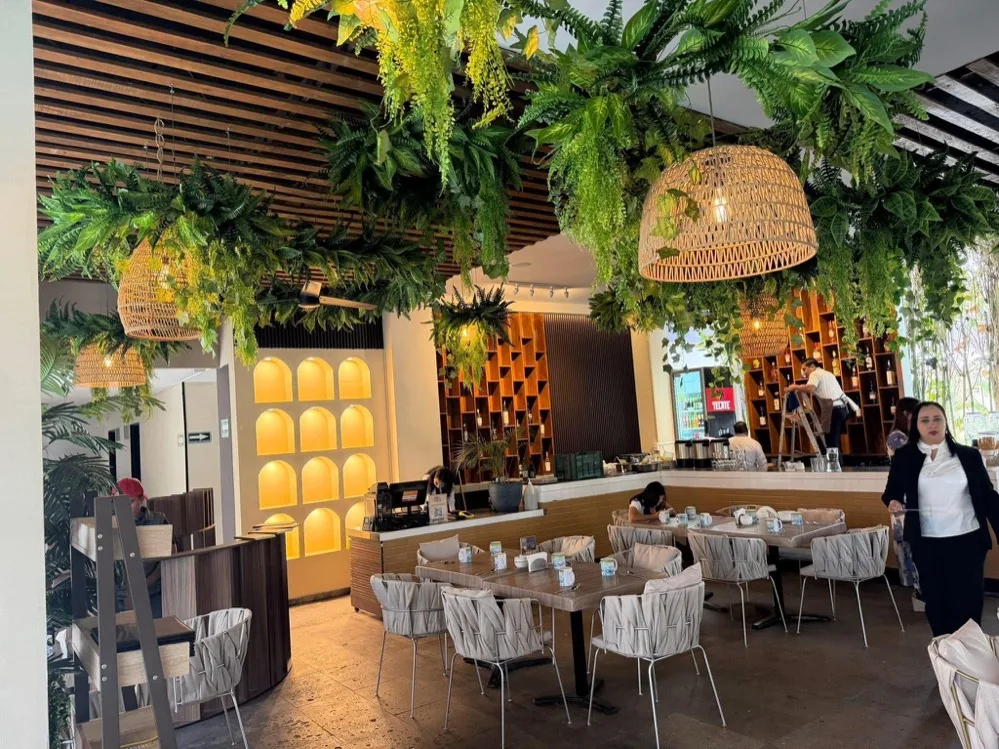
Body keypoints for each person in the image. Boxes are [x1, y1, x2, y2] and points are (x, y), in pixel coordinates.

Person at [881, 401, 999, 636]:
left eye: (937, 419)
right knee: (937, 606)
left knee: (969, 605)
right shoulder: (904, 456)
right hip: (928, 544)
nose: (931, 425)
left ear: (946, 423)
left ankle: (970, 654)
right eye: (924, 420)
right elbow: (891, 491)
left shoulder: (969, 455)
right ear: (916, 425)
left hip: (967, 541)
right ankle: (944, 653)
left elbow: (987, 496)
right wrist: (893, 502)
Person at [116, 477, 170, 618]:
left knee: (157, 627)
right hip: (121, 594)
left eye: (131, 502)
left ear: (141, 500)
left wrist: (148, 581)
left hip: (154, 591)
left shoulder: (159, 521)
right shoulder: (111, 523)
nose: (125, 508)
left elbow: (170, 557)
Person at [884, 397, 921, 597]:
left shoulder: (906, 436)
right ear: (907, 413)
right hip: (902, 499)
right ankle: (918, 590)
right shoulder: (898, 438)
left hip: (910, 498)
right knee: (908, 543)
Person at [787, 357, 860, 453]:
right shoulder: (828, 373)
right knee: (833, 440)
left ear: (812, 367)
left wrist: (795, 387)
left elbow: (810, 388)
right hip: (844, 408)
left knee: (831, 443)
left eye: (804, 369)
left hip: (834, 410)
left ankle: (833, 462)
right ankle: (836, 461)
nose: (803, 373)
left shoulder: (815, 374)